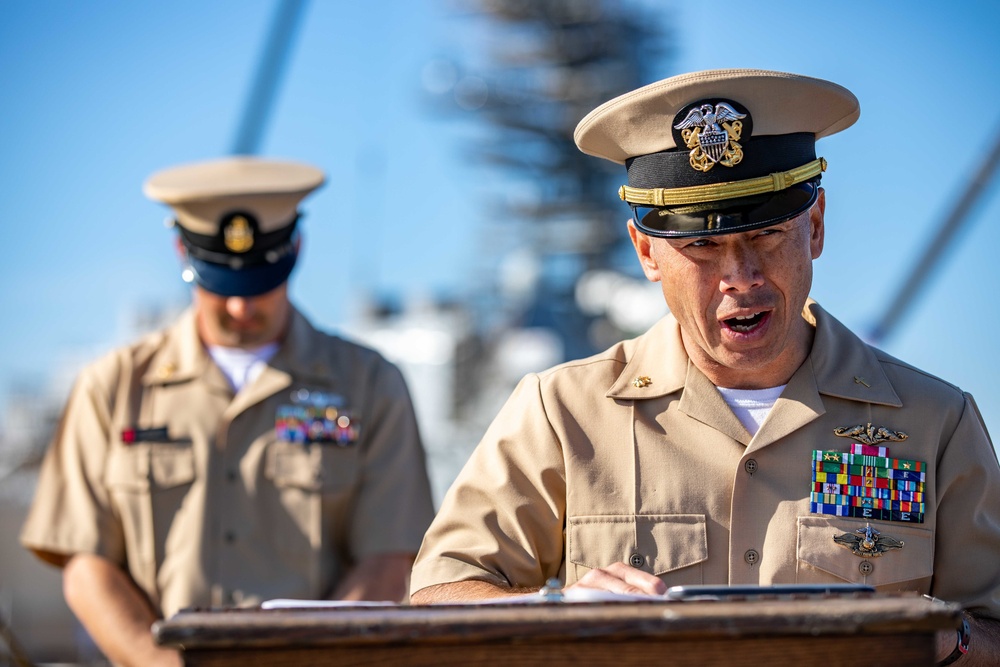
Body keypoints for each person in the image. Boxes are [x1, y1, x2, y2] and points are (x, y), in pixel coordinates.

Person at [409, 69, 1000, 664]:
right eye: (702, 247)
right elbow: (435, 598)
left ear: (815, 226)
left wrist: (938, 641)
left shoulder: (936, 423)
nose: (740, 276)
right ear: (647, 253)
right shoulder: (562, 414)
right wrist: (551, 613)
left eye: (768, 235)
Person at [21, 156, 435, 667]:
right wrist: (162, 664)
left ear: (298, 250)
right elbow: (86, 564)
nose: (241, 308)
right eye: (223, 286)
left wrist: (312, 659)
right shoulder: (111, 388)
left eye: (261, 284)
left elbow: (392, 557)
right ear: (181, 252)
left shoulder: (370, 384)